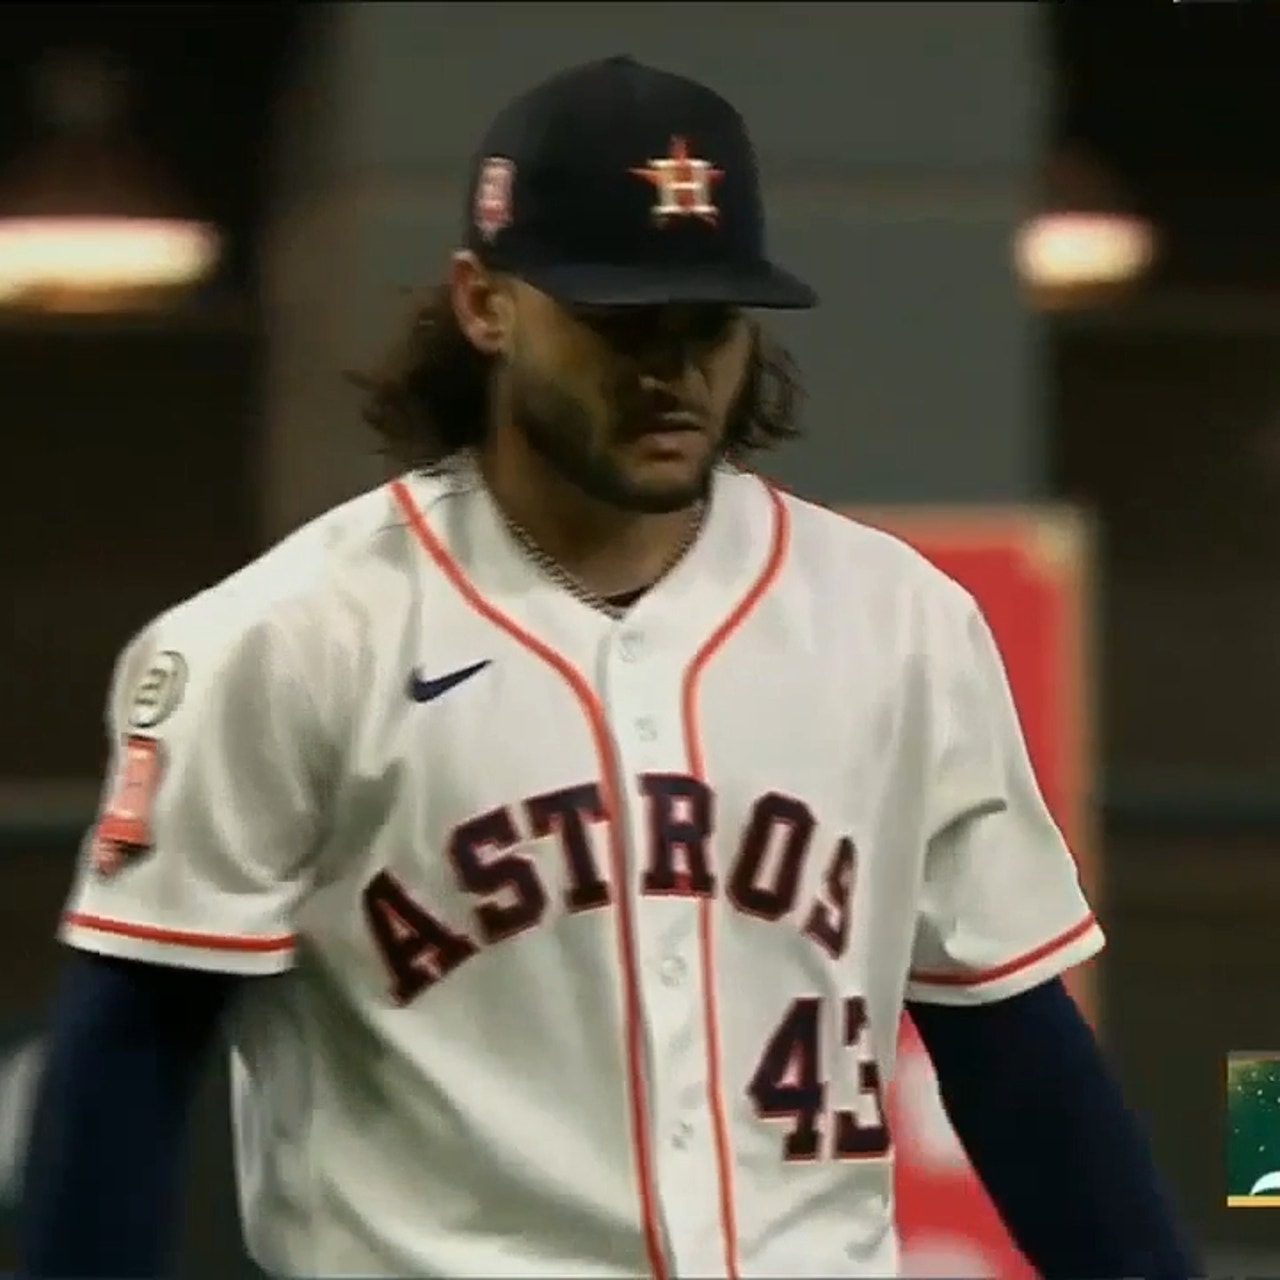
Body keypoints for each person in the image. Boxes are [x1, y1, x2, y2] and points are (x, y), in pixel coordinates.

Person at [20, 55, 1198, 1280]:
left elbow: (1013, 1053)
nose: (669, 370)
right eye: (619, 320)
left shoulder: (899, 622)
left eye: (706, 323)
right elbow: (129, 1058)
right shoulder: (288, 640)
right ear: (484, 304)